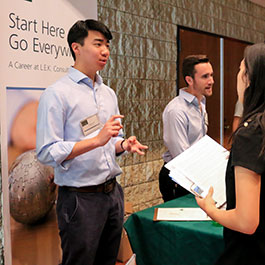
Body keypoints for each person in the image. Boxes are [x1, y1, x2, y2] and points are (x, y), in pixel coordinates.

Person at [36, 19, 147, 265]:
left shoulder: (108, 93)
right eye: (98, 44)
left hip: (112, 194)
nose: (105, 51)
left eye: (106, 45)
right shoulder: (57, 94)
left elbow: (112, 140)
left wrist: (123, 144)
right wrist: (96, 140)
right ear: (76, 47)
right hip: (79, 200)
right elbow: (46, 151)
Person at [196, 43, 265, 264]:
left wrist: (210, 209)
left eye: (241, 69)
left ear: (250, 79)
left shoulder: (252, 133)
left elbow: (246, 222)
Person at [159, 55, 214, 202]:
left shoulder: (201, 103)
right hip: (178, 177)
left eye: (211, 75)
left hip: (194, 174)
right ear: (189, 80)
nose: (211, 81)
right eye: (205, 76)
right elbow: (182, 157)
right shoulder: (176, 110)